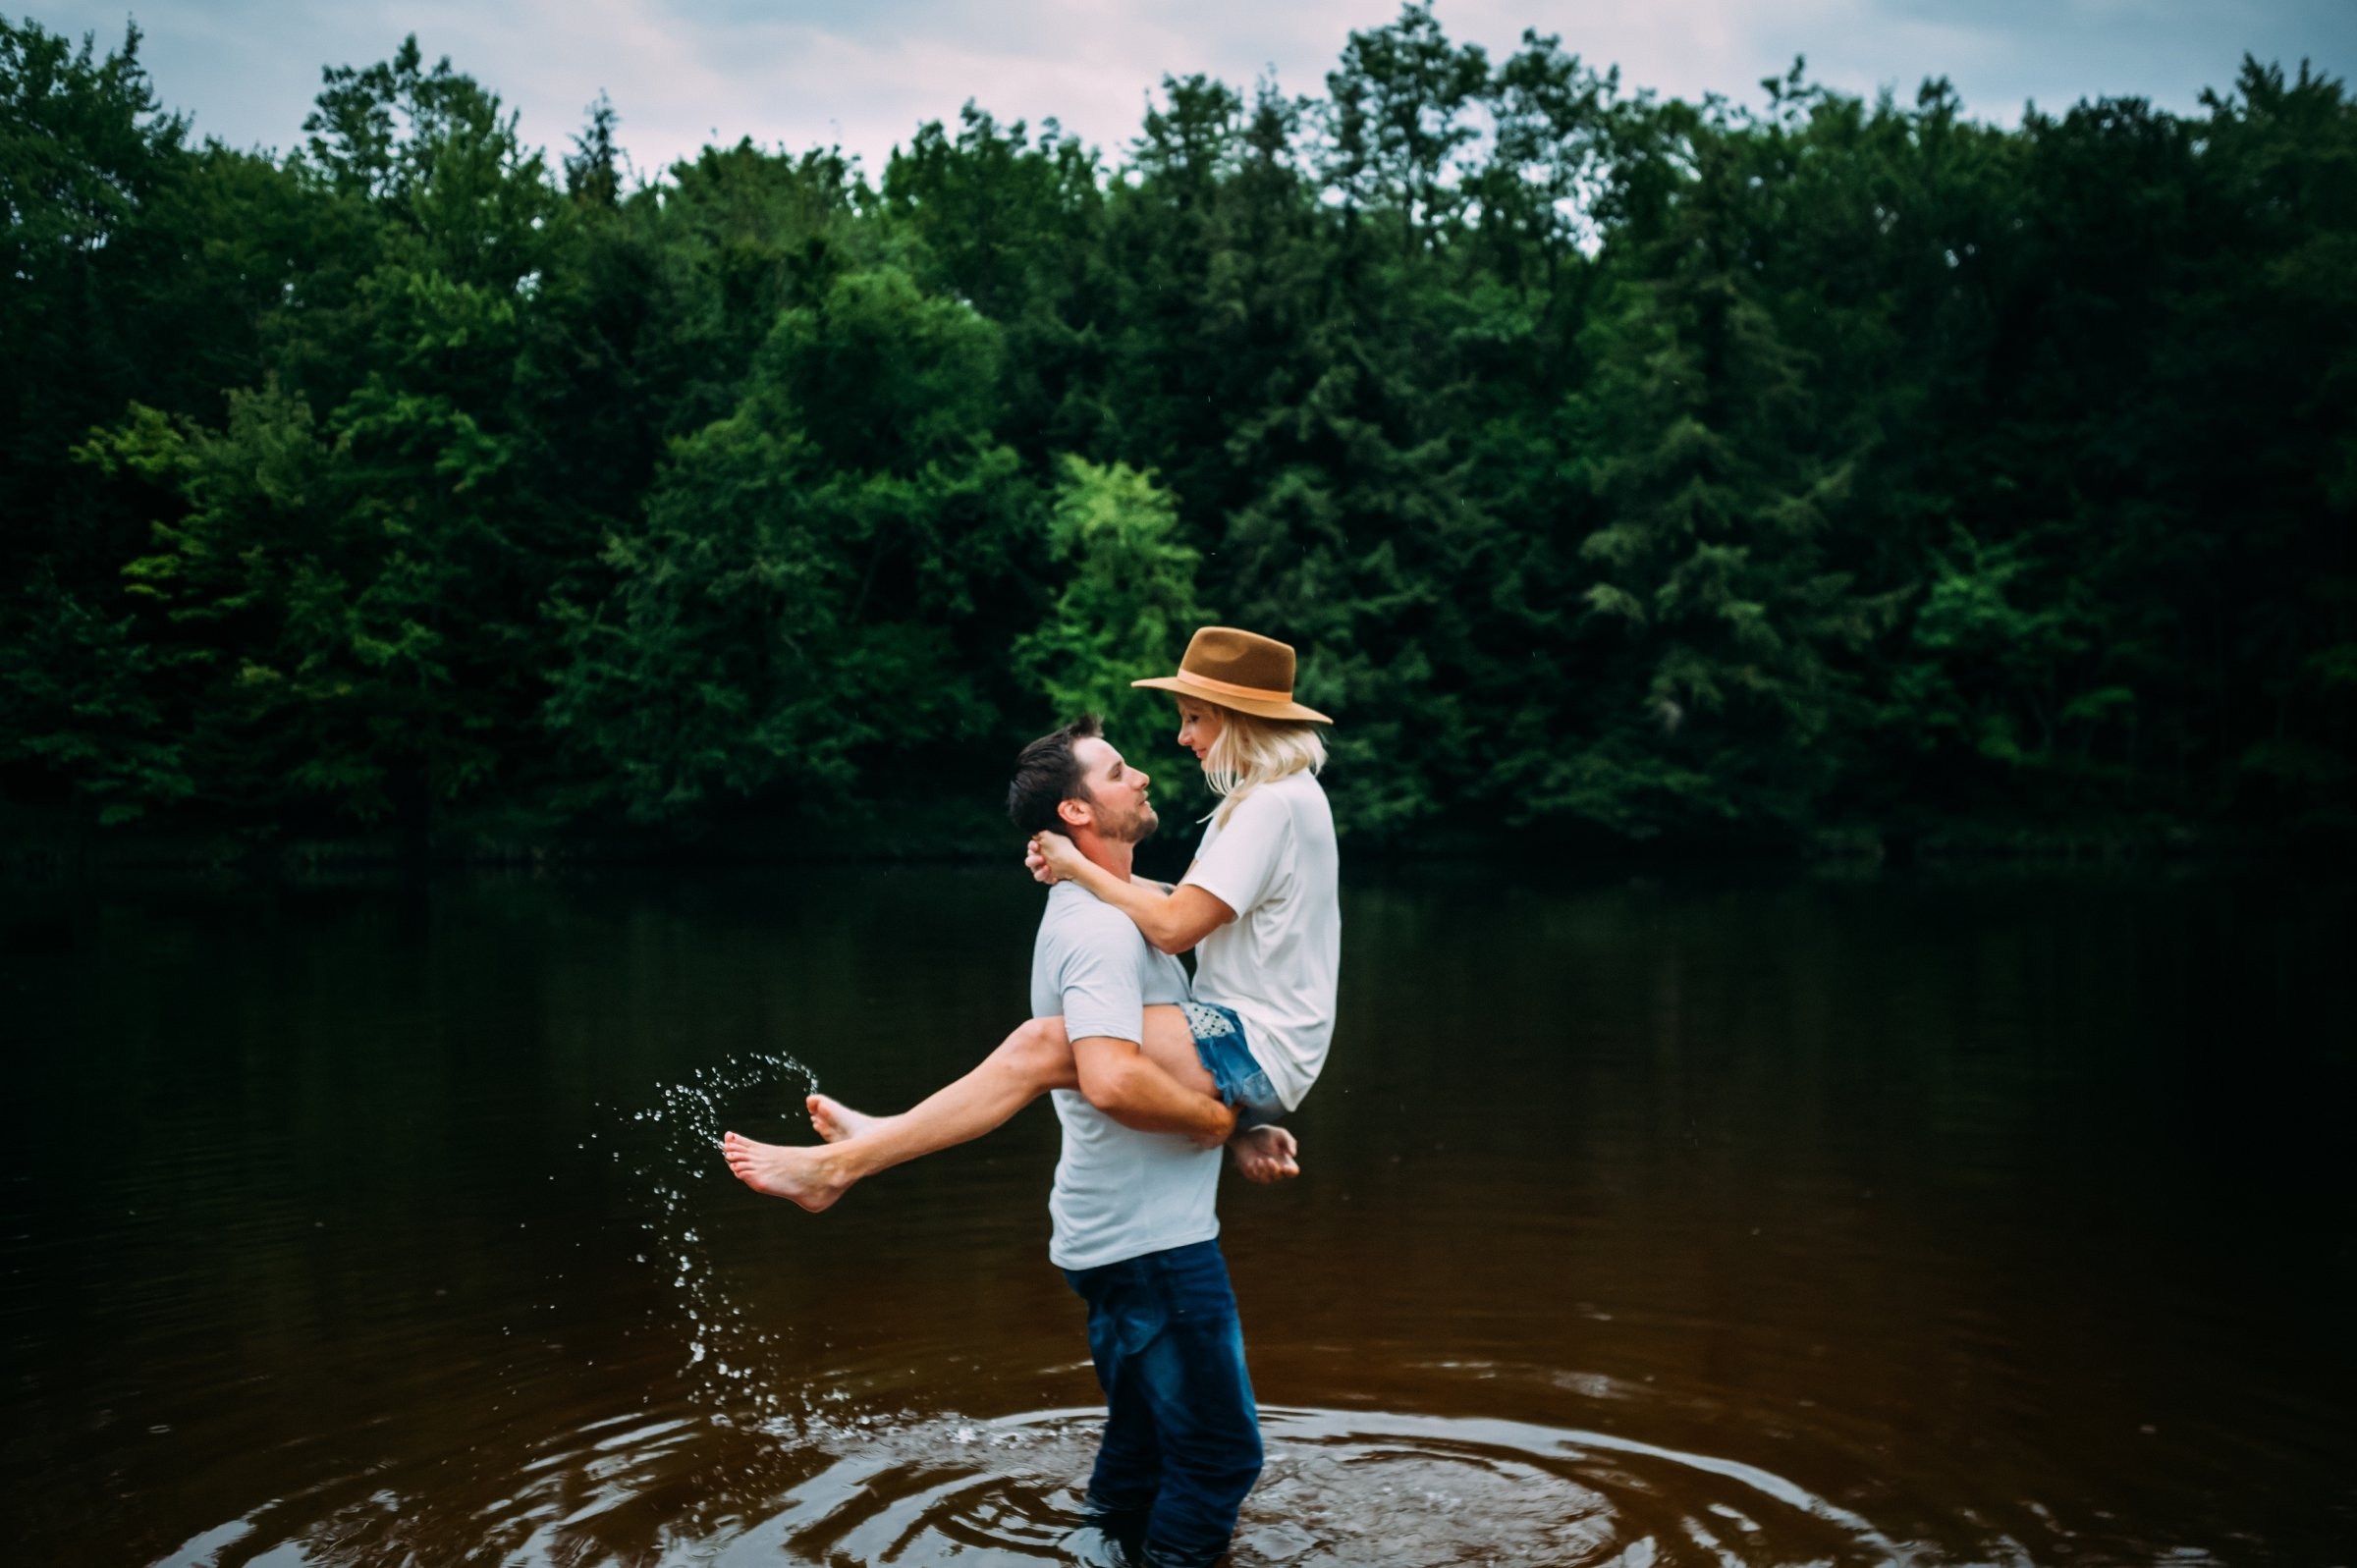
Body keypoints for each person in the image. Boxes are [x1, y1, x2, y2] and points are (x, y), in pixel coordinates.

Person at [721, 626, 1339, 1209]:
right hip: (1247, 1041)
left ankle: (841, 1167)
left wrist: (1080, 868)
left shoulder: (1269, 806)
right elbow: (1202, 901)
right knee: (1059, 1046)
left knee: (1043, 1044)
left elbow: (1177, 926)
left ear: (1235, 718)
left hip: (1253, 1043)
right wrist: (1084, 869)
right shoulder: (1279, 796)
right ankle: (880, 1138)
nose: (1183, 737)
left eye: (1194, 718)